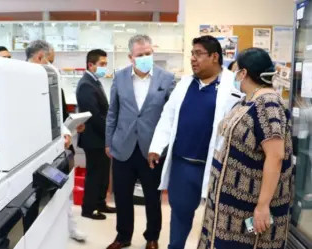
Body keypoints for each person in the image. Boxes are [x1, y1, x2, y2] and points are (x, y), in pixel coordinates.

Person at [148, 35, 242, 249]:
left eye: (198, 54)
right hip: (183, 165)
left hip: (215, 165)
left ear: (215, 57)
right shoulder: (185, 84)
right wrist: (156, 147)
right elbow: (168, 117)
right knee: (180, 214)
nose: (193, 59)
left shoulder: (231, 85)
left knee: (218, 216)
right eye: (192, 54)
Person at [197, 47, 294, 249]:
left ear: (244, 73)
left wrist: (262, 206)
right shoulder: (247, 100)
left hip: (249, 209)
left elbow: (275, 157)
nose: (234, 74)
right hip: (227, 208)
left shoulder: (269, 105)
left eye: (236, 70)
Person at [105, 34, 175, 249]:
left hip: (152, 149)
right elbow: (113, 112)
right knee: (123, 196)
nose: (146, 57)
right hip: (123, 146)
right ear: (130, 57)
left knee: (153, 198)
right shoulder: (120, 77)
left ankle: (152, 237)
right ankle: (123, 237)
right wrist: (109, 142)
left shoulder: (166, 78)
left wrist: (164, 146)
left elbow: (170, 115)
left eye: (149, 53)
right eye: (140, 54)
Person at [25, 40, 86, 242]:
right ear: (40, 56)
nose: (53, 66)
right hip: (32, 152)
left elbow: (57, 113)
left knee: (63, 194)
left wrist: (67, 128)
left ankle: (69, 229)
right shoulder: (21, 81)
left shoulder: (52, 80)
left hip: (57, 149)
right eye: (51, 60)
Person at [76, 49, 116, 221]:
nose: (104, 68)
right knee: (94, 174)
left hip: (100, 138)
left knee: (103, 173)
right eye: (101, 64)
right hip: (94, 138)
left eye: (106, 64)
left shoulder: (95, 81)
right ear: (90, 65)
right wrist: (109, 133)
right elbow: (94, 115)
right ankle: (88, 208)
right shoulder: (86, 84)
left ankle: (100, 203)